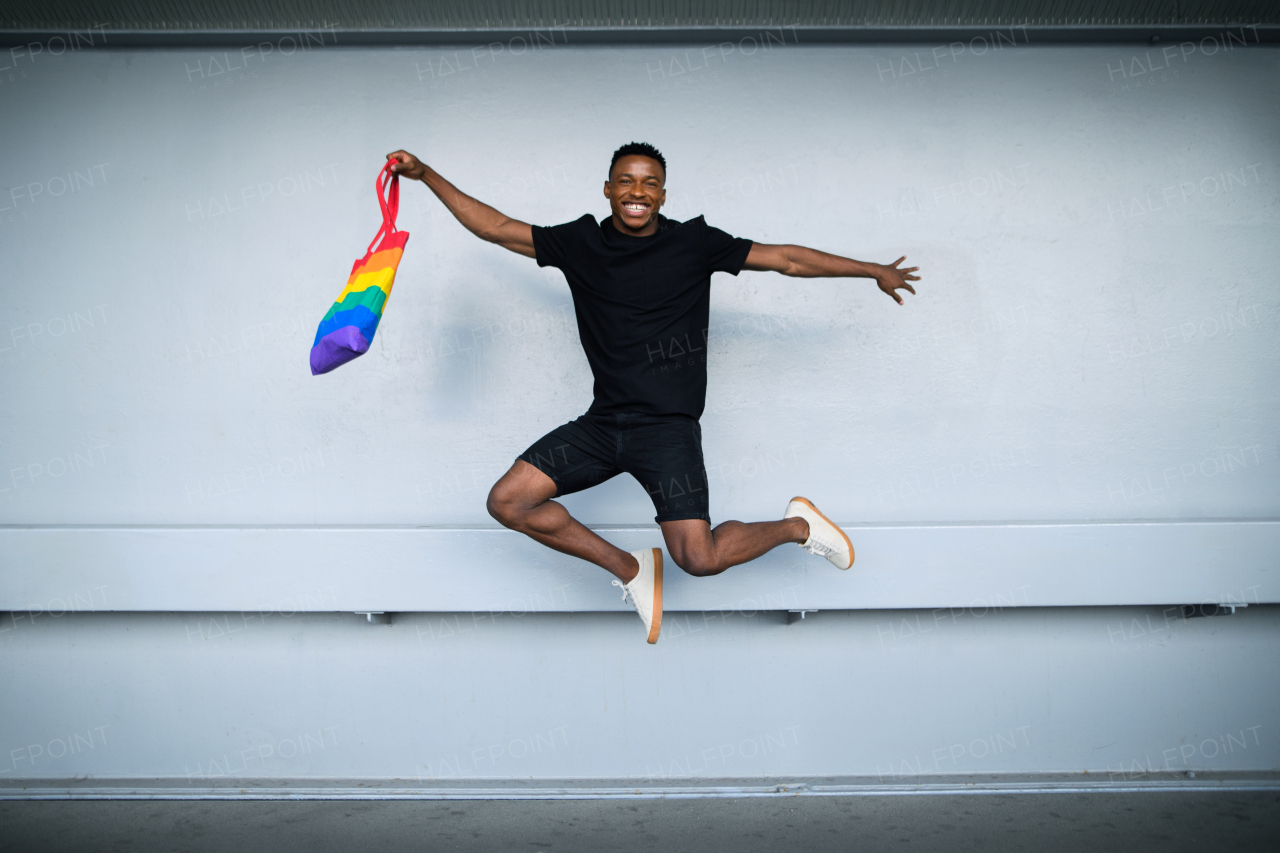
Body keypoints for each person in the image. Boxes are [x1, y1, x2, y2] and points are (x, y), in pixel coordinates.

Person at [386, 143, 920, 644]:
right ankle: (630, 567)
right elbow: (496, 228)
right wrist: (426, 174)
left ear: (663, 193)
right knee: (508, 501)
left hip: (668, 430)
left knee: (700, 558)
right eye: (626, 181)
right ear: (607, 189)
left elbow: (787, 259)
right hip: (603, 425)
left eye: (649, 183)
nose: (637, 191)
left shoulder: (694, 243)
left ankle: (798, 525)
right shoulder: (581, 243)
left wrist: (870, 269)